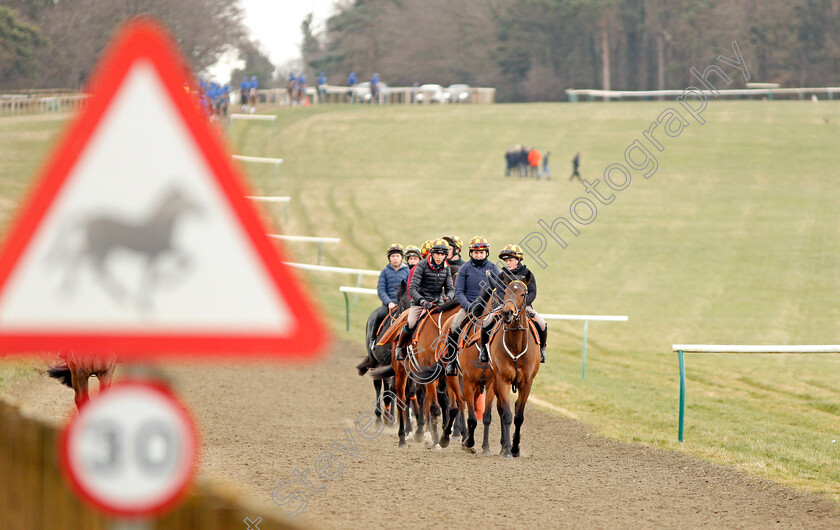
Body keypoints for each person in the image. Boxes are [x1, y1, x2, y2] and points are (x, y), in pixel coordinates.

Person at [474, 244, 547, 363]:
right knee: (487, 321)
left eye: (510, 260)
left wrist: (523, 304)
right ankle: (483, 350)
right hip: (506, 306)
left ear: (518, 260)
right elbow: (500, 292)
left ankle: (542, 349)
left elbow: (533, 292)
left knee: (541, 323)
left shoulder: (528, 274)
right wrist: (507, 304)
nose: (507, 263)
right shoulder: (502, 275)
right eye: (506, 261)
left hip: (524, 307)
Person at [442, 236, 500, 375]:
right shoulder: (464, 268)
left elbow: (499, 288)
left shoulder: (493, 268)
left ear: (486, 253)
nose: (479, 255)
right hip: (468, 307)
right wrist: (468, 306)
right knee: (454, 327)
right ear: (471, 253)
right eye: (476, 252)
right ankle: (451, 362)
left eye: (481, 252)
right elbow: (459, 291)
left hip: (489, 309)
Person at [395, 240, 454, 361]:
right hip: (420, 304)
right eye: (437, 254)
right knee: (411, 323)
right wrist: (422, 301)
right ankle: (400, 346)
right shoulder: (421, 265)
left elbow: (450, 289)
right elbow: (412, 288)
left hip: (438, 304)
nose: (439, 257)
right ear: (432, 254)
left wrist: (448, 296)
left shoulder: (446, 268)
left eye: (442, 255)